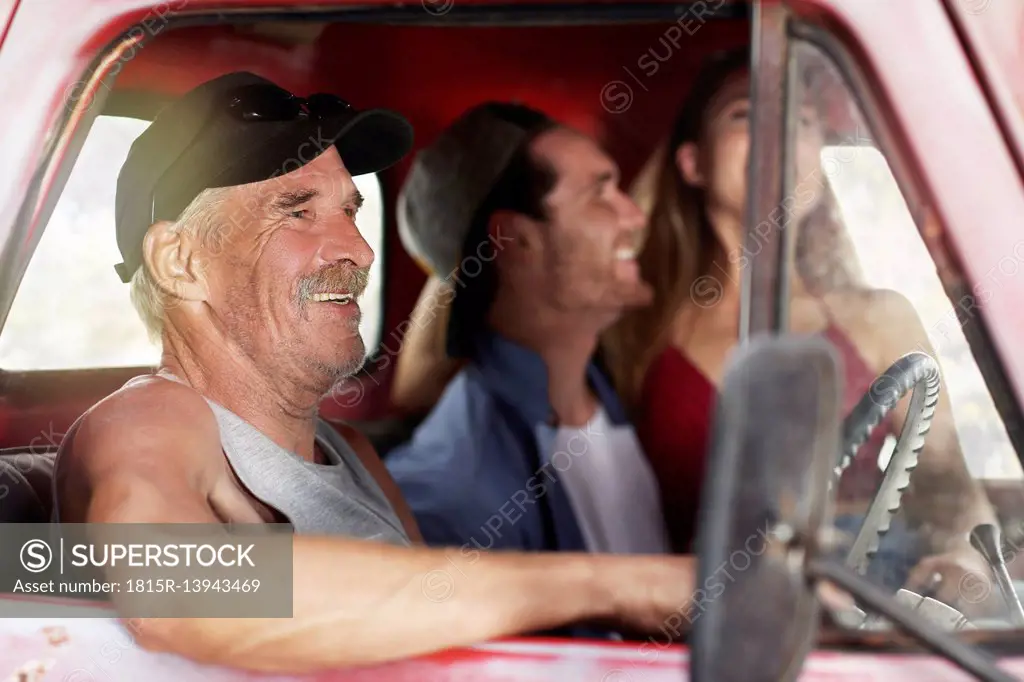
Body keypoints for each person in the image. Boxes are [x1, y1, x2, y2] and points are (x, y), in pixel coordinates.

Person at [50, 73, 698, 672]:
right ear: (179, 261)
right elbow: (170, 588)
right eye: (298, 212)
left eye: (351, 211)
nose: (359, 250)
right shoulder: (152, 418)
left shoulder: (351, 452)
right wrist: (613, 584)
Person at [601, 47, 1001, 614]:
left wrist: (965, 560)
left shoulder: (881, 317)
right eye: (745, 114)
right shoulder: (631, 325)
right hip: (702, 631)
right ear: (691, 163)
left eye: (804, 119)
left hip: (857, 614)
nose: (779, 130)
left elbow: (951, 491)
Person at [385, 102, 671, 556]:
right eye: (600, 194)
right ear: (518, 242)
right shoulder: (461, 485)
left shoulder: (607, 394)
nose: (634, 216)